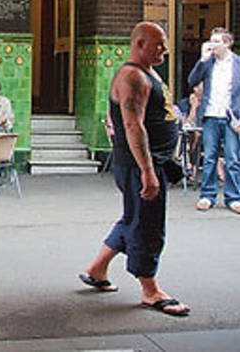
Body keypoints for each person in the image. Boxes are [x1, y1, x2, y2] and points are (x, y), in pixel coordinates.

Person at [79, 21, 190, 317]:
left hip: (152, 162)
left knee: (133, 217)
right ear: (139, 44)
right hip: (142, 165)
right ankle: (150, 290)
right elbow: (132, 124)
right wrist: (147, 170)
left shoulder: (146, 74)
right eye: (159, 43)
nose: (165, 49)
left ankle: (97, 270)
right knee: (147, 225)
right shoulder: (132, 77)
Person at [187, 27, 240, 213]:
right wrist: (202, 59)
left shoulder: (238, 64)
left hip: (230, 117)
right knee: (209, 158)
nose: (212, 45)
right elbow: (192, 81)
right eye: (211, 40)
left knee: (232, 158)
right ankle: (207, 196)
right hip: (210, 115)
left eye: (217, 41)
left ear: (227, 43)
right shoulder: (208, 63)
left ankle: (233, 197)